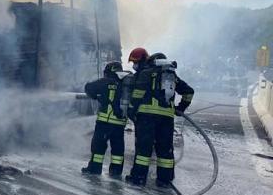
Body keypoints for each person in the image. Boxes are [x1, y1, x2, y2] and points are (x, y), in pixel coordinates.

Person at [126, 52, 194, 187]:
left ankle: (138, 178)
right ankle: (165, 180)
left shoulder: (146, 73)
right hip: (166, 118)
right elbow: (189, 92)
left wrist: (131, 111)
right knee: (165, 150)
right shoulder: (171, 75)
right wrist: (180, 108)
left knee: (143, 149)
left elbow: (137, 95)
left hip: (147, 116)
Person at [81, 61, 128, 177]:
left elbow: (88, 88)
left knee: (98, 147)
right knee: (118, 150)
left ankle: (94, 170)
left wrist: (97, 96)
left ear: (108, 72)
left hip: (105, 122)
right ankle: (116, 172)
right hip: (120, 123)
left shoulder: (104, 82)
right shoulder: (125, 84)